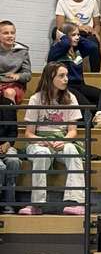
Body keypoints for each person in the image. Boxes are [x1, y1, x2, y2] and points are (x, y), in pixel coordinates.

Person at [20, 62, 85, 215]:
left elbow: (72, 131)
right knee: (41, 154)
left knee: (72, 151)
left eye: (66, 76)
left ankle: (75, 202)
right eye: (61, 76)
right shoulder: (36, 99)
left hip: (62, 139)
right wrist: (42, 141)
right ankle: (37, 204)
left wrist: (64, 141)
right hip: (40, 141)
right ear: (51, 78)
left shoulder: (71, 98)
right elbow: (28, 134)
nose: (66, 79)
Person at [54, 0, 101, 71]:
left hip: (87, 35)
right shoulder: (63, 2)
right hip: (69, 34)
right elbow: (60, 26)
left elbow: (97, 24)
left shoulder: (92, 2)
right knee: (62, 41)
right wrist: (79, 28)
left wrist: (95, 32)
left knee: (93, 44)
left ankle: (95, 74)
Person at [47, 24, 101, 105]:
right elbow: (65, 44)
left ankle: (97, 116)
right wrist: (63, 37)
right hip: (66, 86)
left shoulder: (78, 50)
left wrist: (78, 37)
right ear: (64, 36)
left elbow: (93, 47)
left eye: (78, 35)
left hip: (80, 85)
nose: (77, 37)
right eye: (73, 35)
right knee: (86, 105)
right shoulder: (56, 50)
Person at [0, 20, 32, 104]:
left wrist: (18, 76)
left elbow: (28, 75)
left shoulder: (22, 51)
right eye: (6, 33)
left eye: (12, 33)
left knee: (9, 92)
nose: (10, 36)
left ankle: (9, 117)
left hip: (15, 85)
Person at [0, 95, 20, 214]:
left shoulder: (8, 104)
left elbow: (13, 131)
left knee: (14, 161)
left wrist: (8, 143)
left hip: (5, 145)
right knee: (1, 167)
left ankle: (9, 203)